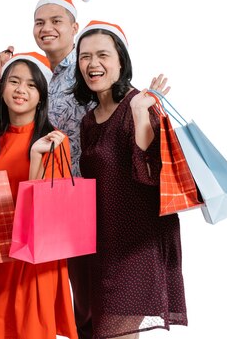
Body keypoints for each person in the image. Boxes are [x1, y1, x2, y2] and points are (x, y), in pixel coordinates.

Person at [72, 20, 187, 338]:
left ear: (121, 61)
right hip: (100, 248)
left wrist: (138, 113)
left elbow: (153, 177)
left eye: (102, 55)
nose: (93, 64)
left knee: (111, 333)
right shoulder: (88, 121)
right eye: (85, 56)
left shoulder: (139, 106)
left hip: (136, 248)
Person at [0, 52, 78, 339]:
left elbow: (45, 217)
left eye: (31, 85)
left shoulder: (55, 142)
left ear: (41, 96)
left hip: (36, 263)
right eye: (14, 81)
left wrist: (35, 159)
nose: (20, 90)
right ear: (1, 89)